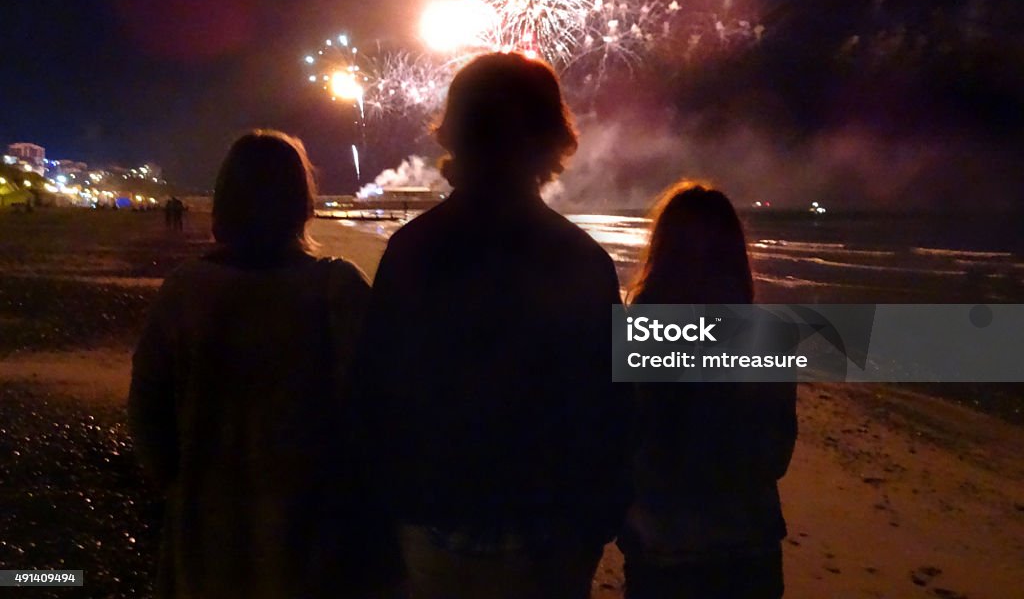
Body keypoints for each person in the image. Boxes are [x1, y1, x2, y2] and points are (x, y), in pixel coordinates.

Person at [356, 52, 632, 599]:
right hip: (550, 535)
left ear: (456, 134)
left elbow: (375, 395)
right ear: (550, 140)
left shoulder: (412, 250)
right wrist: (597, 522)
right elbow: (610, 410)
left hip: (436, 523)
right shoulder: (582, 260)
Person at [129, 130, 399, 599]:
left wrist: (180, 485)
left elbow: (147, 411)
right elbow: (383, 417)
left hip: (207, 536)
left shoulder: (184, 291)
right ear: (302, 203)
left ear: (224, 202)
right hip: (316, 539)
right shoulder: (337, 288)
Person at [619, 182, 798, 599]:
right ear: (734, 252)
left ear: (662, 251)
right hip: (748, 548)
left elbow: (620, 442)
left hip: (661, 547)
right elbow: (776, 454)